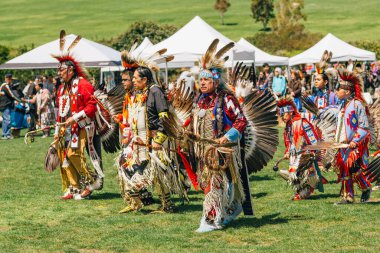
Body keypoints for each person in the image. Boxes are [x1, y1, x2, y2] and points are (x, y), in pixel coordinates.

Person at [192, 40, 248, 232]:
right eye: (200, 80)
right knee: (209, 183)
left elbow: (241, 121)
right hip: (204, 151)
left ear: (215, 81)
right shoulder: (201, 100)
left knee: (215, 184)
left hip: (222, 150)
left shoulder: (226, 98)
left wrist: (226, 138)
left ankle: (211, 218)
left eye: (206, 80)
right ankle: (225, 211)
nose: (202, 83)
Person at [52, 31, 102, 200]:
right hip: (66, 127)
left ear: (71, 70)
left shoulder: (83, 85)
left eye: (62, 70)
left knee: (74, 154)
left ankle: (90, 182)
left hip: (82, 125)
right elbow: (61, 111)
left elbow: (92, 106)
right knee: (63, 156)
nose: (59, 73)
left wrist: (74, 118)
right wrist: (57, 130)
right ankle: (74, 187)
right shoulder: (61, 89)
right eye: (58, 70)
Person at [334, 69, 372, 204]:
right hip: (343, 145)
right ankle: (348, 196)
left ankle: (366, 187)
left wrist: (355, 141)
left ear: (347, 92)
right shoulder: (342, 106)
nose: (336, 92)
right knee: (345, 170)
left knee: (353, 168)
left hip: (354, 144)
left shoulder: (357, 104)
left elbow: (364, 126)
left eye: (339, 90)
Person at [277, 97, 323, 200]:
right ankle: (300, 191)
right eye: (280, 115)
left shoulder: (302, 122)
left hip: (305, 155)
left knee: (303, 174)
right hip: (295, 156)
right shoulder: (288, 127)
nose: (282, 117)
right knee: (293, 174)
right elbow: (289, 143)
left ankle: (306, 191)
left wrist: (312, 154)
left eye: (283, 114)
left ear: (290, 112)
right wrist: (287, 152)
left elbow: (314, 140)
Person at [0, 73, 21, 140]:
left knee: (5, 120)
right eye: (10, 79)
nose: (11, 81)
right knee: (8, 120)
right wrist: (19, 100)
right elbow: (12, 95)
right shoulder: (5, 86)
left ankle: (4, 134)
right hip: (6, 105)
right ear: (7, 79)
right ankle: (7, 134)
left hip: (5, 105)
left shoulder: (3, 86)